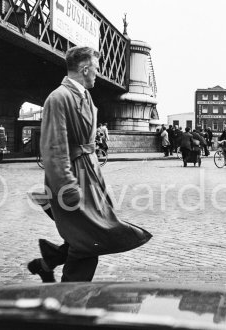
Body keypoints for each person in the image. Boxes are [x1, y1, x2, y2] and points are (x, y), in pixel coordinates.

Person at [28, 46, 152, 282]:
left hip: (89, 176)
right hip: (74, 180)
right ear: (84, 69)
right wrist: (68, 188)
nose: (98, 73)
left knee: (89, 234)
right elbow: (54, 149)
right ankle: (70, 297)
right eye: (95, 68)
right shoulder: (59, 98)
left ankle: (48, 263)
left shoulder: (83, 96)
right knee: (90, 238)